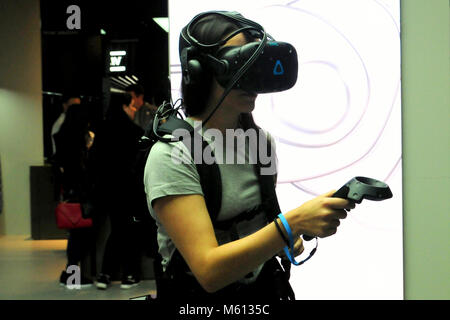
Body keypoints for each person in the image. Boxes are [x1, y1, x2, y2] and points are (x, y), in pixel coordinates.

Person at [143, 11, 355, 301]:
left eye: (254, 65)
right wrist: (291, 225)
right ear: (199, 72)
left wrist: (282, 239)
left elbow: (256, 227)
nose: (251, 79)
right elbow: (209, 270)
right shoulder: (171, 156)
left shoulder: (259, 143)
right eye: (236, 66)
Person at [91, 92, 145, 290]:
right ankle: (130, 274)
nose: (133, 111)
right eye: (131, 107)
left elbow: (93, 160)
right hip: (130, 190)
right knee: (129, 231)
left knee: (117, 230)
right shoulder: (134, 131)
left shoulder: (102, 129)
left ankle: (105, 273)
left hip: (107, 190)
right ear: (124, 106)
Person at [54, 104, 96, 288]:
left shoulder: (62, 138)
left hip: (68, 193)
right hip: (80, 193)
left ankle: (70, 274)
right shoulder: (78, 141)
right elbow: (83, 167)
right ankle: (72, 277)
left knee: (74, 235)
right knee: (80, 236)